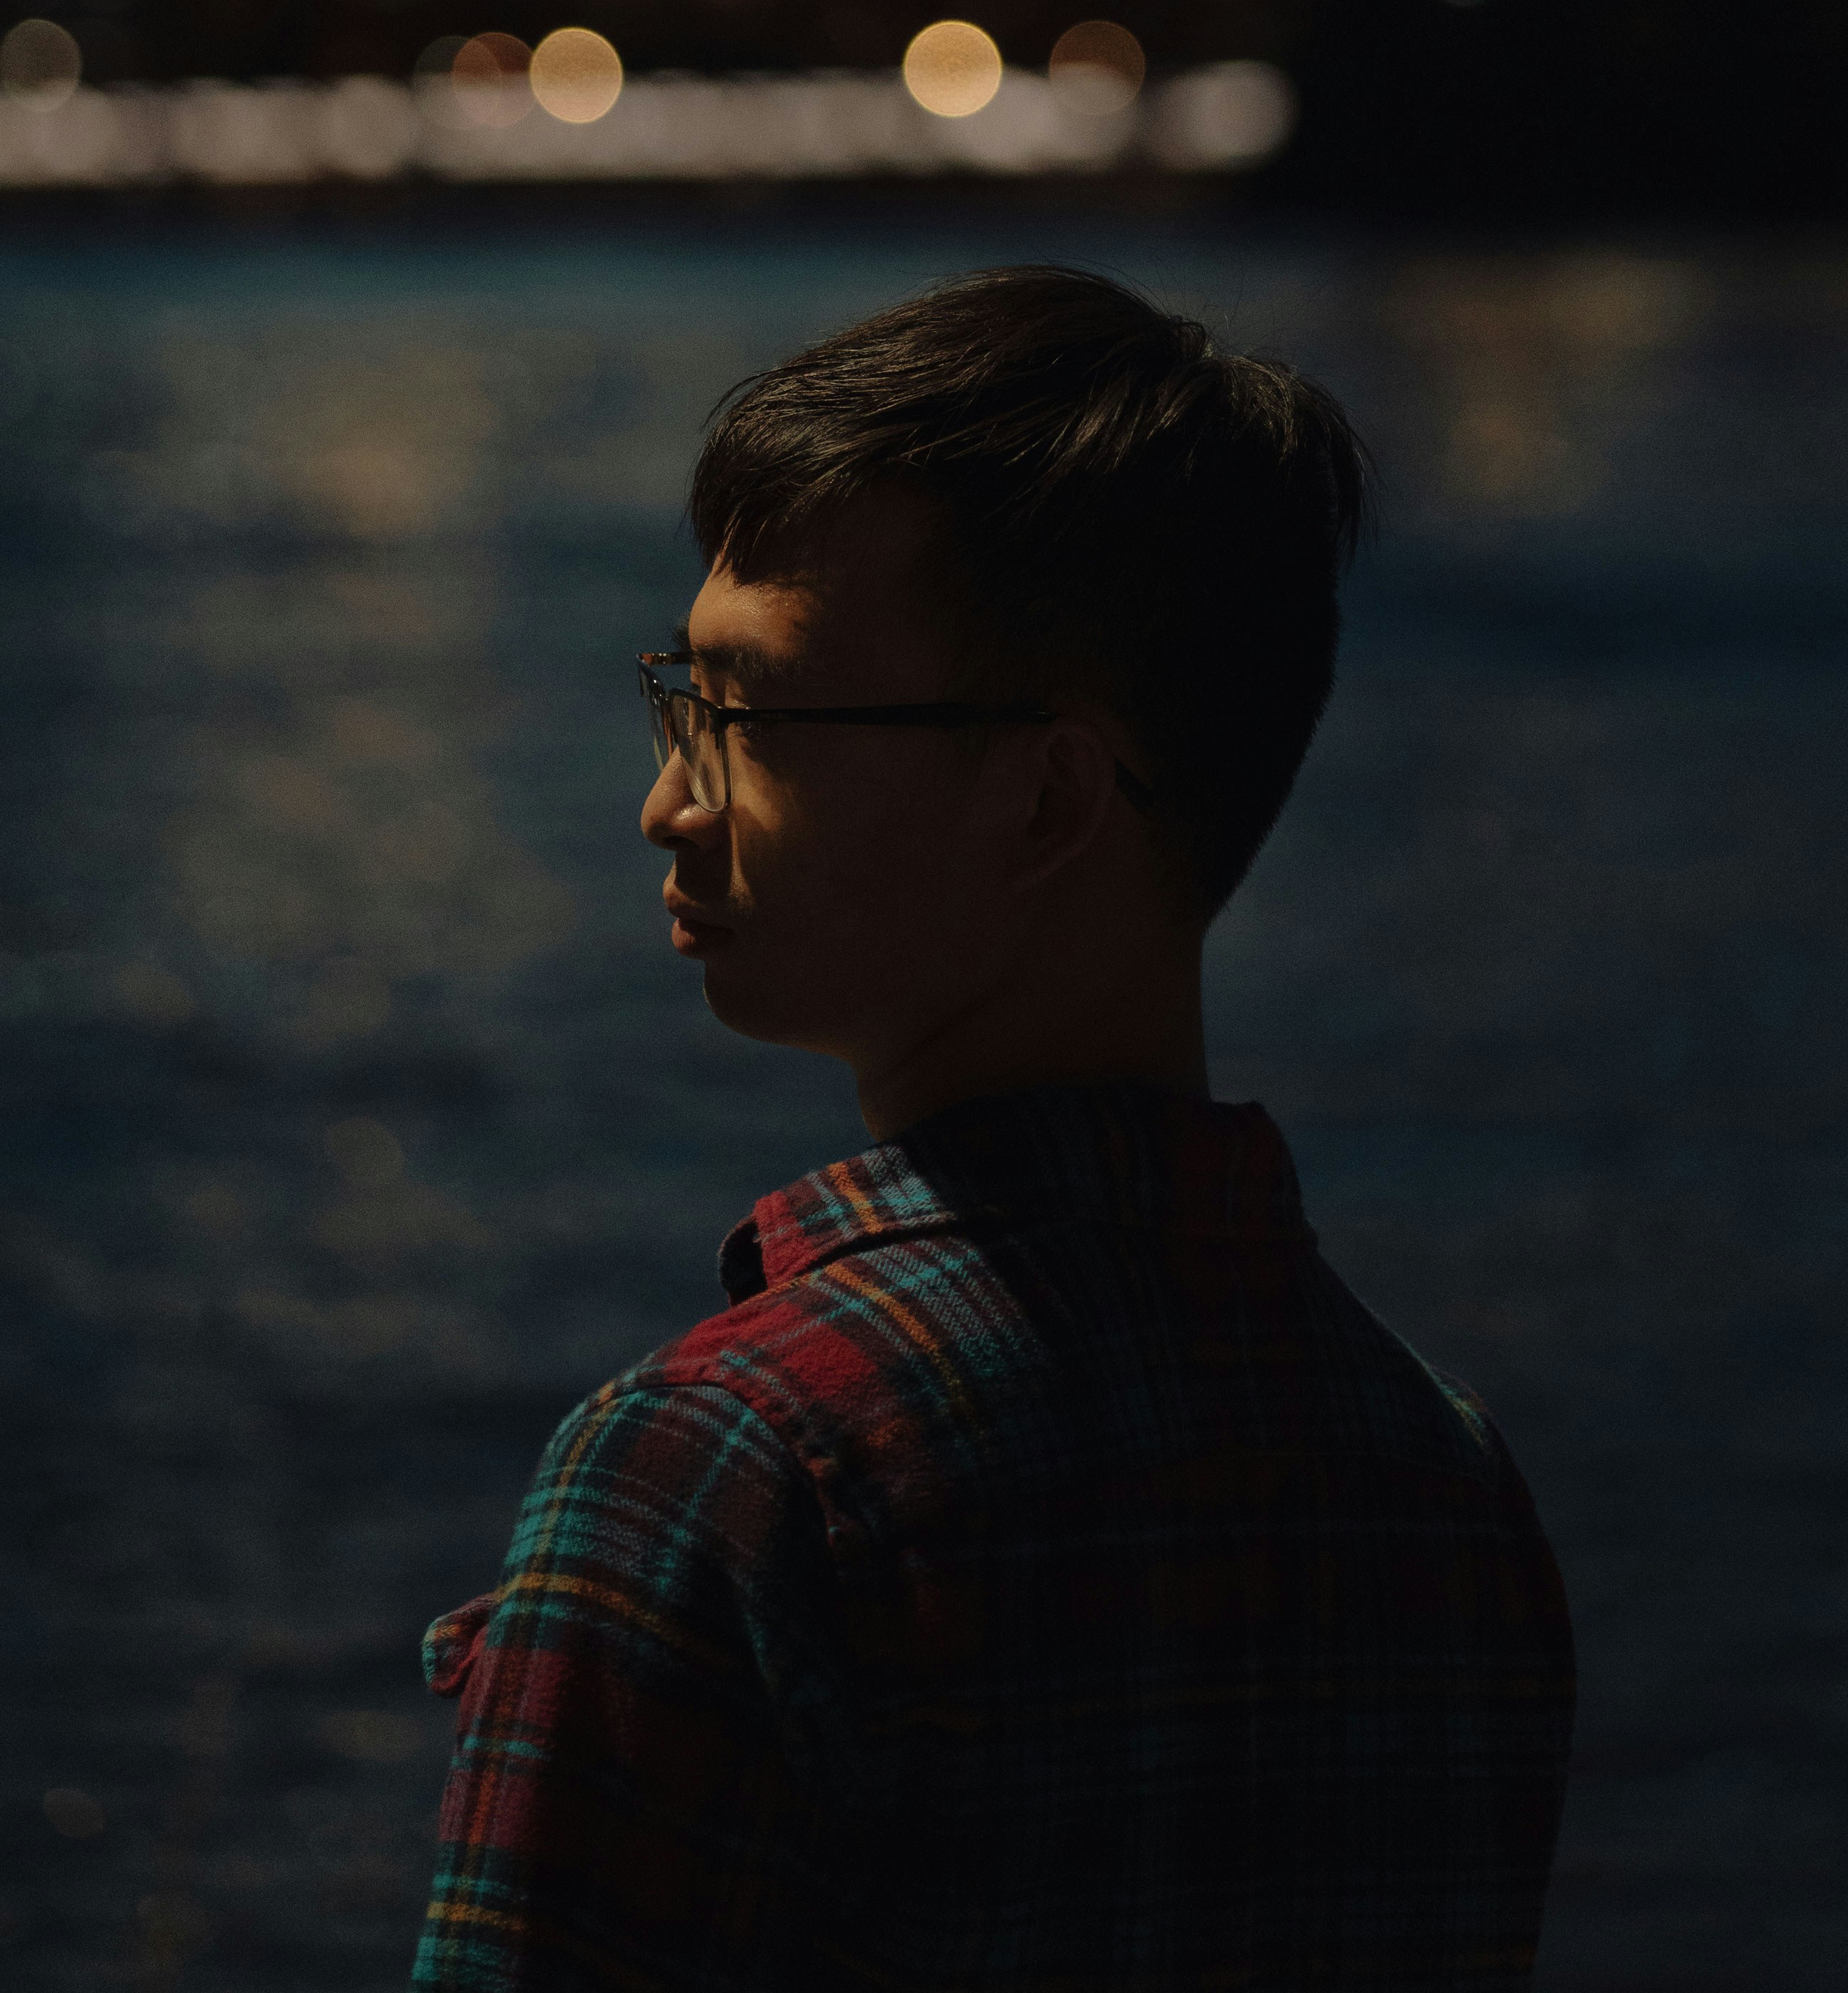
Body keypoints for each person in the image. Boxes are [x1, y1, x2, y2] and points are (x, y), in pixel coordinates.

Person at [414, 264, 1571, 1987]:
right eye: (682, 700)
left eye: (747, 718)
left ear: (1044, 794)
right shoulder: (1442, 1491)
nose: (668, 799)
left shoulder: (727, 1476)